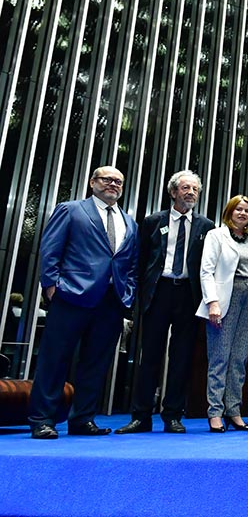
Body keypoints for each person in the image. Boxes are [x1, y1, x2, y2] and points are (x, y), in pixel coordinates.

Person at [29, 166, 139, 439]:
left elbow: (131, 263)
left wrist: (129, 292)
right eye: (107, 179)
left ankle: (83, 419)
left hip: (111, 303)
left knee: (96, 363)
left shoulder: (130, 222)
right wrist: (51, 286)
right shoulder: (71, 209)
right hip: (71, 297)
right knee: (55, 360)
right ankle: (42, 419)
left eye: (119, 182)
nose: (113, 184)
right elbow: (51, 248)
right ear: (93, 183)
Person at [116, 171, 215, 435]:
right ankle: (140, 416)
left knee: (181, 357)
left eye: (195, 188)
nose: (191, 192)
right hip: (158, 293)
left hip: (189, 295)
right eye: (185, 188)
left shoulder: (207, 226)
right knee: (149, 356)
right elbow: (140, 260)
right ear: (173, 192)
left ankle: (172, 415)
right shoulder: (152, 221)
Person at [195, 195, 248, 432]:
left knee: (239, 359)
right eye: (238, 210)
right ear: (229, 212)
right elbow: (206, 271)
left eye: (247, 210)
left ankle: (234, 410)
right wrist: (212, 302)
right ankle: (214, 412)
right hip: (225, 300)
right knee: (220, 358)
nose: (242, 213)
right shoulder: (217, 235)